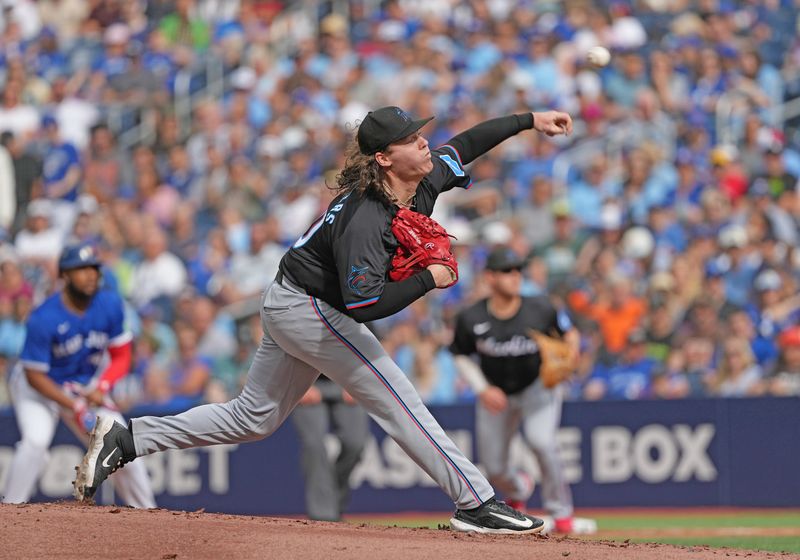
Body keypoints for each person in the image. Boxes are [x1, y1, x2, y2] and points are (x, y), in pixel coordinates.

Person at [74, 105, 573, 534]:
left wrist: (530, 120)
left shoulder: (420, 176)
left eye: (420, 135)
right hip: (310, 307)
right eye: (411, 139)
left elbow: (466, 143)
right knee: (396, 397)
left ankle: (129, 438)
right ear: (384, 158)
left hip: (293, 301)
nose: (425, 143)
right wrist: (429, 279)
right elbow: (364, 306)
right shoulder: (365, 217)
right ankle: (477, 503)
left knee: (254, 417)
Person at [450, 246, 596, 535]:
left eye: (518, 270)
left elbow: (569, 333)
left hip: (537, 388)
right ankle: (520, 487)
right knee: (494, 468)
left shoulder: (540, 307)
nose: (515, 276)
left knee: (541, 442)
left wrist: (573, 349)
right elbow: (460, 353)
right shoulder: (471, 317)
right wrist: (482, 388)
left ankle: (561, 513)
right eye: (507, 271)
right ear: (490, 277)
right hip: (496, 395)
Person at [2, 243, 155, 508]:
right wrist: (75, 406)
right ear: (64, 275)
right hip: (38, 390)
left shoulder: (109, 305)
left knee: (122, 444)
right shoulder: (44, 316)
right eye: (80, 269)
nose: (90, 275)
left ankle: (150, 515)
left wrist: (102, 385)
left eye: (93, 268)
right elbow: (33, 376)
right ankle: (10, 511)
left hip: (82, 387)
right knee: (35, 442)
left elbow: (122, 355)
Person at [291, 376, 369, 521]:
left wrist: (359, 382)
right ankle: (323, 516)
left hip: (345, 379)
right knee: (314, 445)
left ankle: (333, 502)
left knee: (355, 443)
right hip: (306, 380)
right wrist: (295, 383)